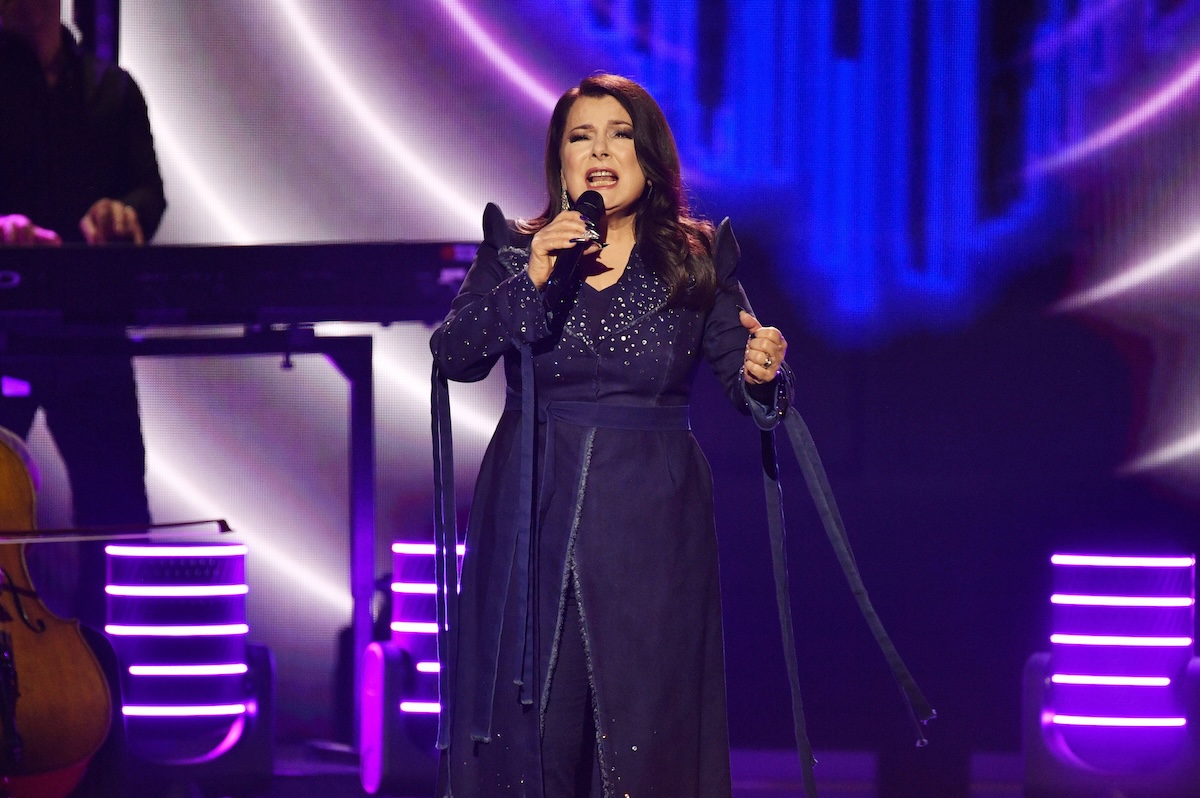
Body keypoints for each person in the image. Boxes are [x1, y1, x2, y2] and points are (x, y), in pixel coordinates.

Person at [430, 73, 791, 797]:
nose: (599, 151)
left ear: (650, 157)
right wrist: (532, 275)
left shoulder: (695, 259)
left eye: (619, 134)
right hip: (531, 524)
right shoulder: (515, 251)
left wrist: (763, 372)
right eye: (580, 136)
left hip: (652, 530)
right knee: (531, 738)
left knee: (645, 738)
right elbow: (453, 355)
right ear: (559, 161)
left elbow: (746, 383)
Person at [0, 0, 166, 633]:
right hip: (5, 330)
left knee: (117, 512)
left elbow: (148, 190)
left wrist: (123, 212)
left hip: (89, 328)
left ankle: (106, 689)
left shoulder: (110, 90)